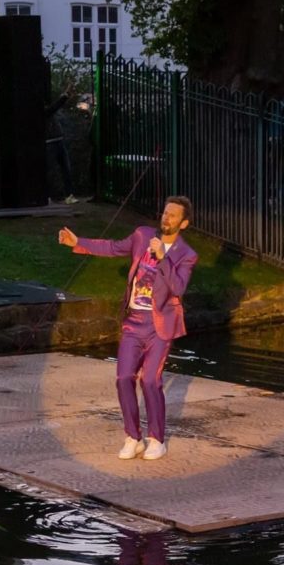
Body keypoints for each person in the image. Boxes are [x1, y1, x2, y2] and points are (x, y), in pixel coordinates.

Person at [58, 196, 198, 461]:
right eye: (165, 213)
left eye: (173, 215)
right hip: (133, 321)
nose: (166, 218)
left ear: (184, 223)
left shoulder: (186, 255)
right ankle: (133, 437)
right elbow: (112, 248)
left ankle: (157, 439)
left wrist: (163, 258)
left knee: (150, 380)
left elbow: (178, 288)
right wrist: (78, 243)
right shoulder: (142, 236)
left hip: (159, 326)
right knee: (124, 378)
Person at [45, 67, 78, 204]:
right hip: (50, 142)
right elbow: (55, 107)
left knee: (65, 169)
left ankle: (69, 195)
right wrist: (65, 94)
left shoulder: (48, 111)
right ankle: (48, 195)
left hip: (58, 140)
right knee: (51, 170)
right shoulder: (45, 112)